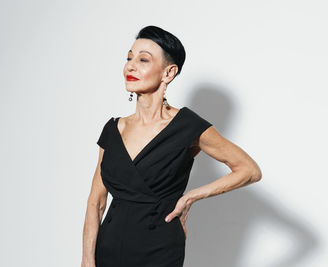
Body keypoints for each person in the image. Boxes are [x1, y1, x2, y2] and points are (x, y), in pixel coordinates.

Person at [81, 25, 262, 267]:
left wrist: (192, 197)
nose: (131, 66)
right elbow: (96, 201)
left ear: (168, 73)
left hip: (159, 248)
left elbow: (250, 170)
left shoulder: (187, 126)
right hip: (109, 248)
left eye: (143, 60)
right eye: (129, 58)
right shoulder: (114, 129)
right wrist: (86, 260)